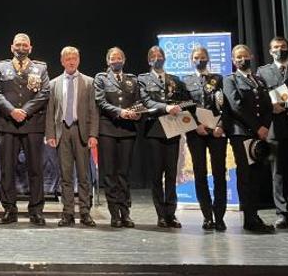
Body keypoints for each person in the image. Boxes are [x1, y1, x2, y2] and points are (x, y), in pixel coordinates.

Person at [0, 33, 50, 225]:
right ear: (11, 47)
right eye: (18, 45)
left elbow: (44, 93)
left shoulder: (40, 68)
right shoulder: (1, 67)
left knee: (35, 170)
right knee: (7, 169)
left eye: (24, 45)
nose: (21, 48)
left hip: (32, 124)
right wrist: (11, 111)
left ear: (30, 48)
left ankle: (36, 210)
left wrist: (24, 111)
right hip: (8, 124)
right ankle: (9, 210)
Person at [138, 45, 195, 229]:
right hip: (154, 129)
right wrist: (166, 107)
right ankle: (160, 214)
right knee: (157, 174)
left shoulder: (175, 80)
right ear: (149, 60)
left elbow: (187, 100)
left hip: (173, 129)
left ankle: (171, 213)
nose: (157, 58)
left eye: (159, 55)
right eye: (153, 56)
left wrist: (180, 107)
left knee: (172, 172)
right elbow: (146, 101)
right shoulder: (143, 79)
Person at [222, 44, 275, 233]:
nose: (242, 60)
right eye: (238, 57)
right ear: (233, 61)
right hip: (241, 133)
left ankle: (255, 216)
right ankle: (249, 218)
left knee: (258, 175)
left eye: (245, 56)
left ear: (251, 56)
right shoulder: (230, 80)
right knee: (246, 176)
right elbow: (236, 106)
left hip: (259, 134)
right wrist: (257, 127)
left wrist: (266, 126)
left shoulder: (259, 80)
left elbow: (268, 106)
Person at [45, 46, 99, 227]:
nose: (71, 61)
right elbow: (50, 111)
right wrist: (51, 134)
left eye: (74, 58)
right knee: (65, 176)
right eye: (67, 58)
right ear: (62, 61)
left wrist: (93, 134)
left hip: (81, 131)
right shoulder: (54, 84)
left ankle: (85, 212)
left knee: (83, 175)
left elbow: (93, 111)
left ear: (79, 60)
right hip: (63, 131)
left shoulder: (89, 82)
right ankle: (67, 213)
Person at [256, 36, 288, 228]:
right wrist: (271, 105)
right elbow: (258, 95)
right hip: (275, 126)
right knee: (278, 173)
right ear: (270, 51)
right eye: (276, 47)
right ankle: (282, 213)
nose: (279, 50)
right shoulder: (262, 71)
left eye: (283, 47)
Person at [93, 47, 140, 228]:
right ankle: (114, 213)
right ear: (108, 61)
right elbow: (101, 101)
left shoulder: (132, 80)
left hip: (128, 130)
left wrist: (137, 113)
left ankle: (125, 212)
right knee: (110, 173)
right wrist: (121, 112)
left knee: (124, 173)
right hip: (108, 130)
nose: (116, 60)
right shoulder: (101, 78)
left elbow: (138, 101)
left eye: (119, 57)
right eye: (113, 58)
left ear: (124, 60)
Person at [182, 47, 228, 231]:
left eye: (202, 57)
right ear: (191, 60)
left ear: (208, 59)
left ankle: (220, 216)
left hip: (217, 132)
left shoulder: (219, 79)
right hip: (196, 132)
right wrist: (195, 125)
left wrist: (221, 126)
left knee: (219, 174)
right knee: (200, 174)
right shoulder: (185, 81)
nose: (199, 60)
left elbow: (227, 104)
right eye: (195, 58)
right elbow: (185, 106)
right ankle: (207, 216)